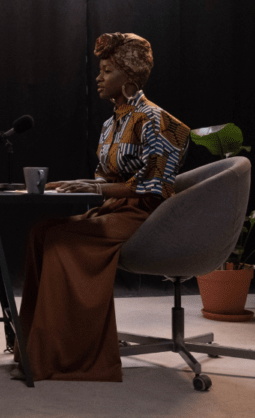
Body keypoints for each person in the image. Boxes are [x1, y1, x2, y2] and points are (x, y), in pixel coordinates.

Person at [15, 32, 190, 382]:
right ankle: (33, 348)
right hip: (113, 210)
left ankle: (67, 358)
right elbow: (103, 179)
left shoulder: (156, 120)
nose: (98, 77)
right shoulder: (111, 123)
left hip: (146, 217)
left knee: (61, 241)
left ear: (128, 76)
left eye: (107, 70)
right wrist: (59, 185)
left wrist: (96, 186)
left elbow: (152, 186)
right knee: (41, 231)